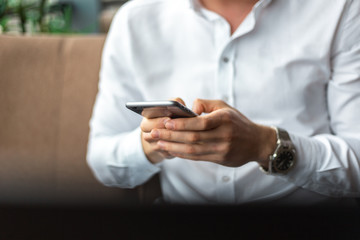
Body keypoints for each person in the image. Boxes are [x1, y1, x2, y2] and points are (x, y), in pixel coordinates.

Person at [86, 0, 360, 206]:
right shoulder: (135, 19)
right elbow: (101, 159)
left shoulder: (340, 9)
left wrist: (265, 145)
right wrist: (154, 142)